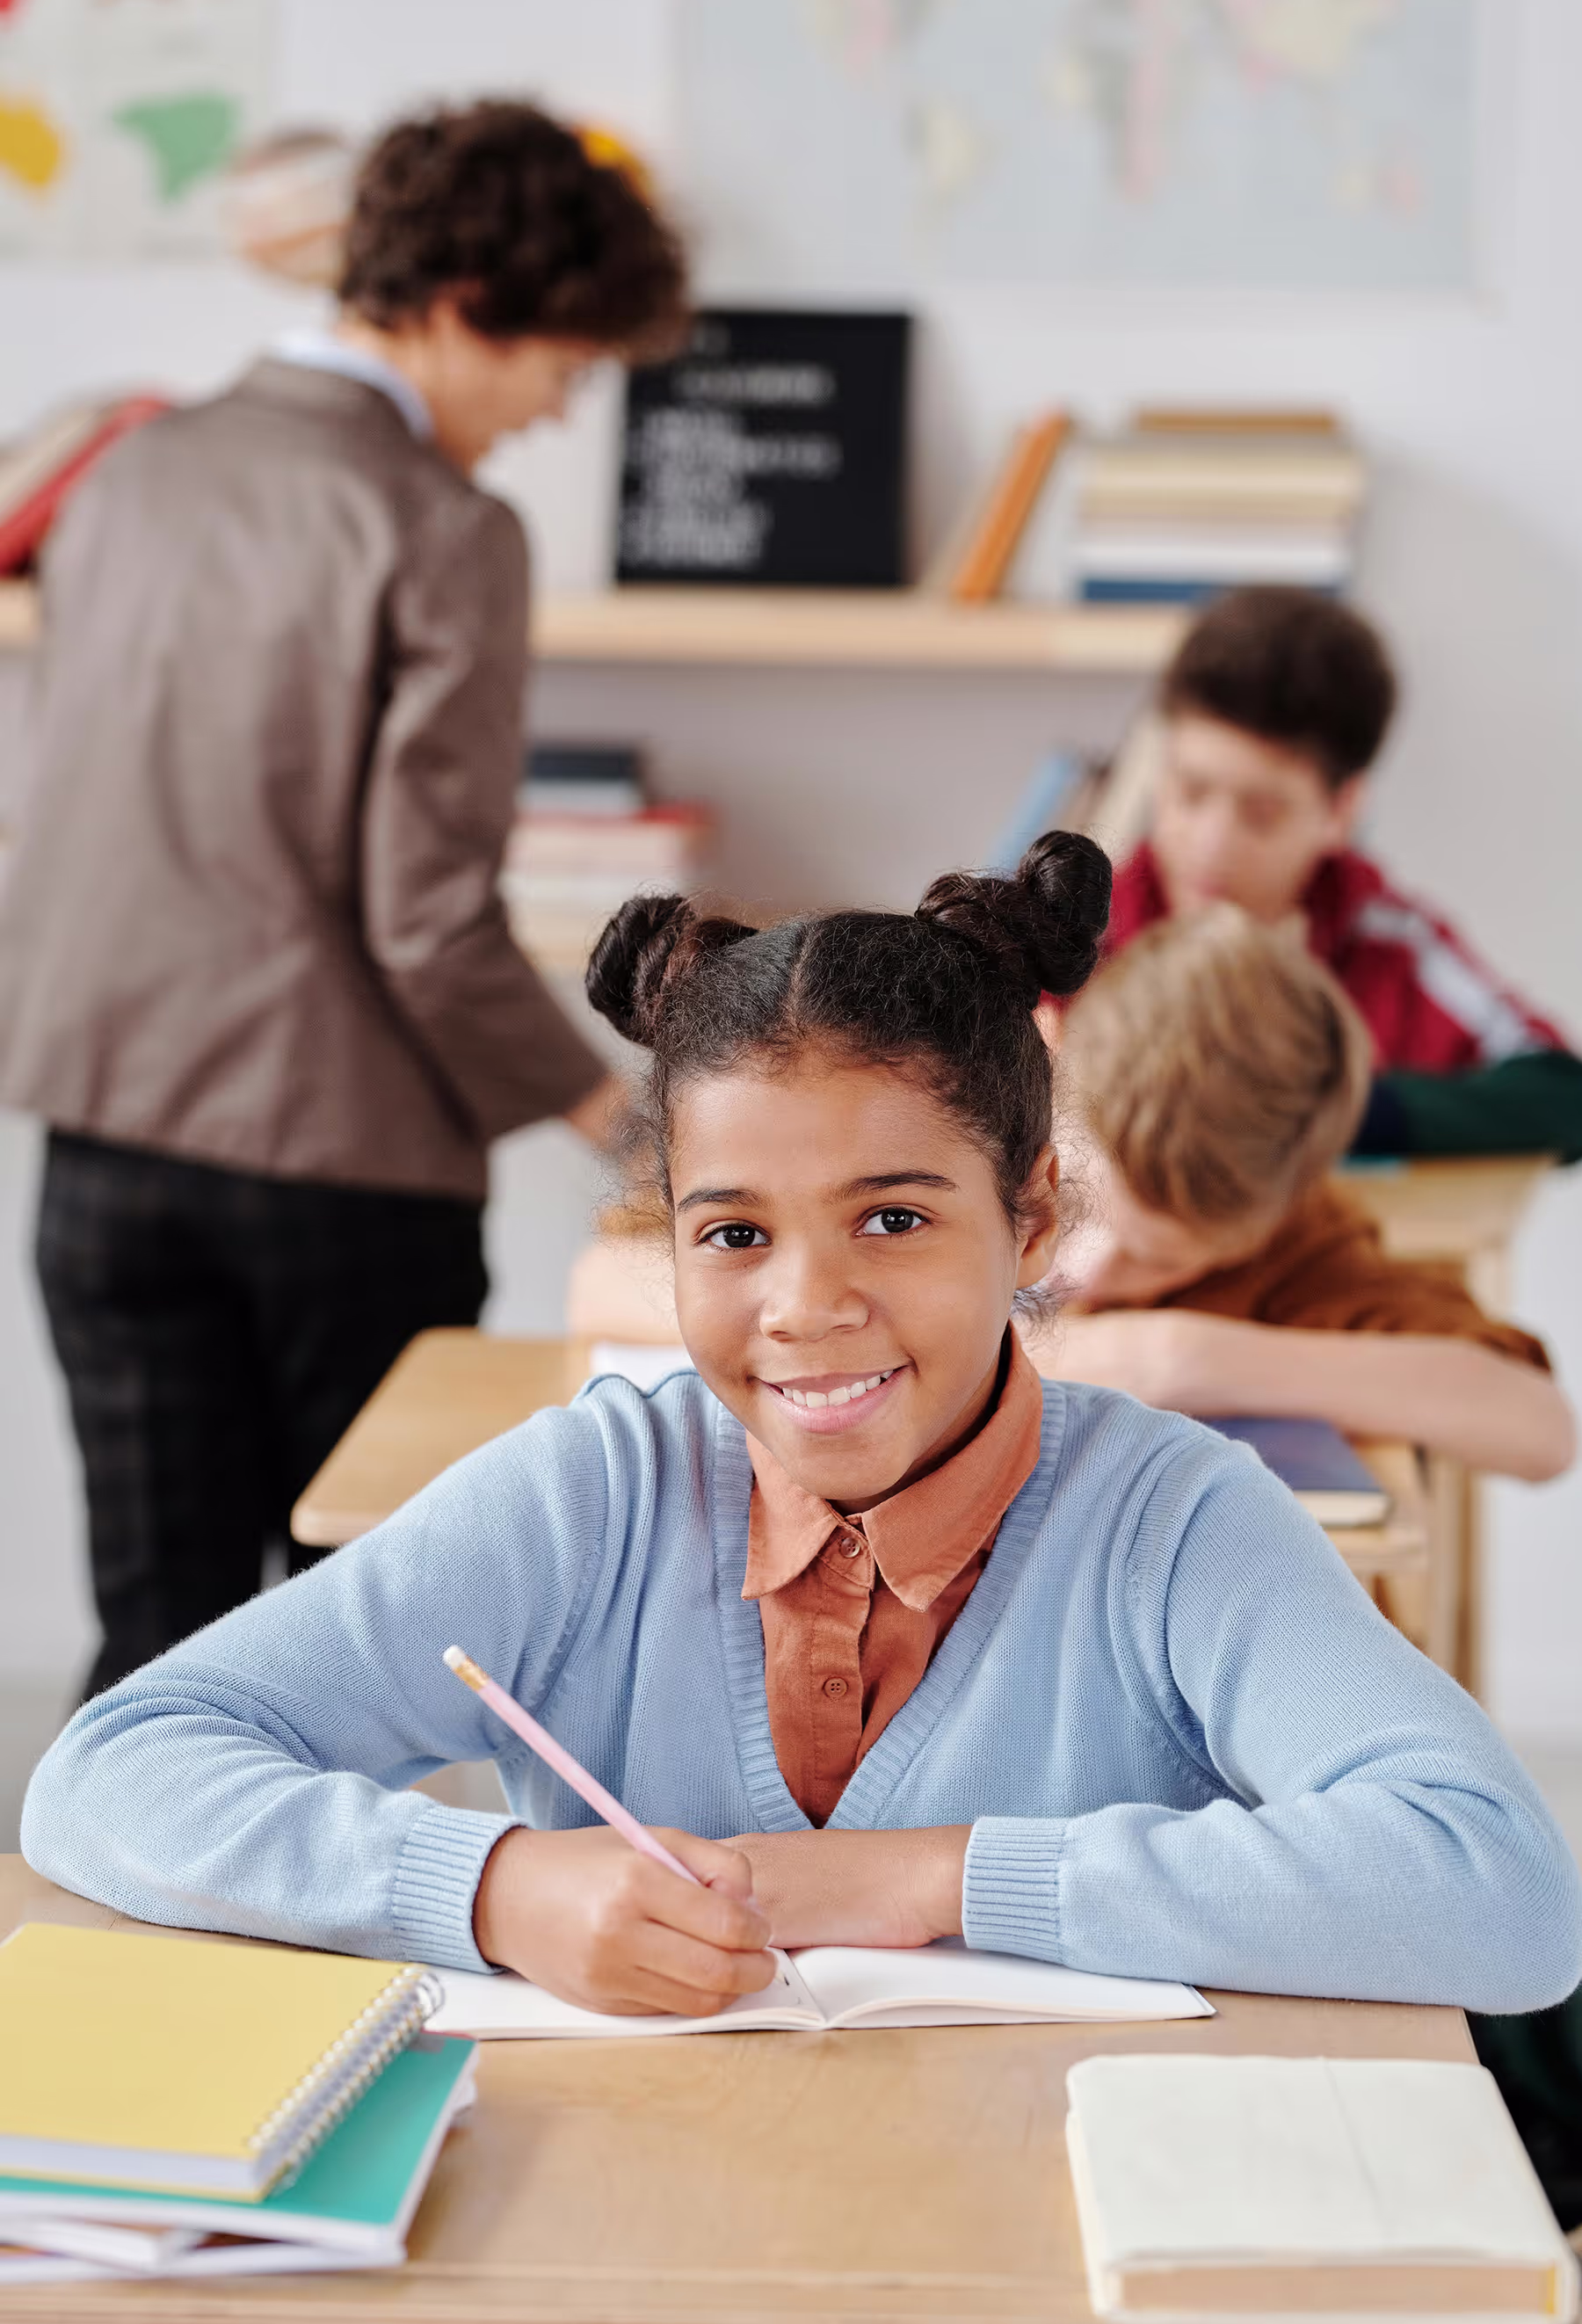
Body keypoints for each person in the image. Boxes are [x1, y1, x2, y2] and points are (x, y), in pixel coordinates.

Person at [22, 836, 1582, 2022]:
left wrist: (919, 1878)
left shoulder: (1173, 1520)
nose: (805, 1306)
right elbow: (107, 1773)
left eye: (893, 1218)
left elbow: (1500, 1889)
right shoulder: (595, 1498)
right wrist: (493, 1884)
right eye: (733, 1234)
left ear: (1031, 1220)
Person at [0, 100, 687, 1696]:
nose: (549, 414)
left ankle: (120, 1951)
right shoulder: (445, 531)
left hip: (102, 1152)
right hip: (335, 1178)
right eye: (558, 368)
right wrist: (633, 1123)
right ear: (462, 309)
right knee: (350, 1663)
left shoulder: (128, 469)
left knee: (154, 1651)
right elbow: (426, 921)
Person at [1023, 911, 1575, 1481]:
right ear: (1048, 1053)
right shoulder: (983, 1140)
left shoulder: (1295, 1249)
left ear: (1264, 1225)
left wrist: (1186, 1358)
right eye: (1076, 1206)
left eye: (1158, 1259)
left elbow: (1541, 1430)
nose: (1090, 1271)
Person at [1106, 585, 1582, 1161]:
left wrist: (1335, 1113)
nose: (1210, 844)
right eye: (1190, 791)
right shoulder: (1076, 934)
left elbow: (1563, 1096)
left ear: (1341, 810)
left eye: (1261, 815)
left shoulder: (1387, 941)